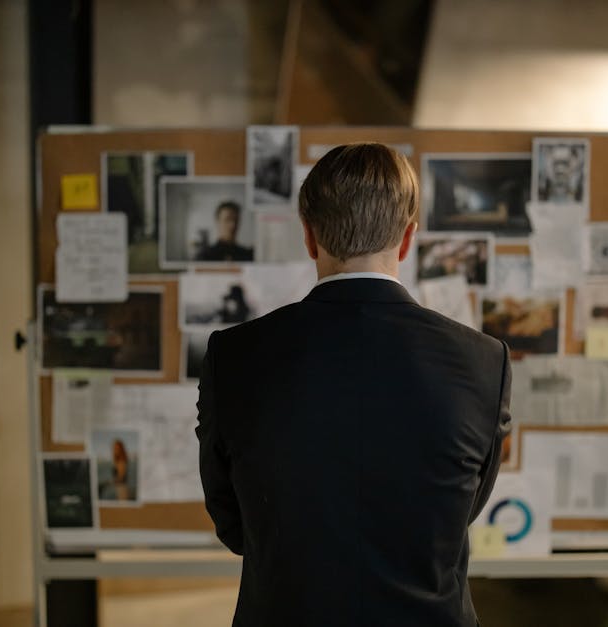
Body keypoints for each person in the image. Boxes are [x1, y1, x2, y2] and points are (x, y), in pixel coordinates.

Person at [196, 143, 511, 627]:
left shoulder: (234, 356)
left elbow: (235, 525)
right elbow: (458, 511)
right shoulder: (485, 362)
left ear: (309, 236)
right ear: (407, 240)